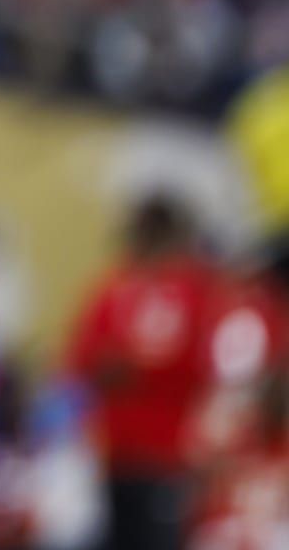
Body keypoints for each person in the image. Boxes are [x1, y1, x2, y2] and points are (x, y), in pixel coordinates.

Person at [66, 192, 220, 550]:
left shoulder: (196, 293)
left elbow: (206, 370)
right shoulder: (118, 290)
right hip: (121, 456)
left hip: (168, 458)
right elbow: (81, 364)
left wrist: (130, 368)